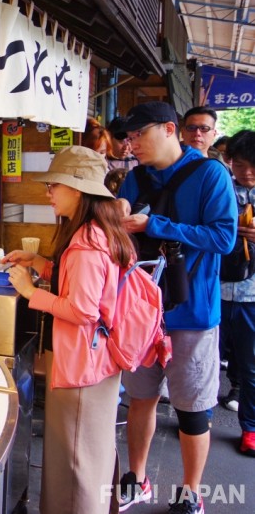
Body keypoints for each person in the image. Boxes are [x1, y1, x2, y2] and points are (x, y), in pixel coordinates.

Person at [116, 101, 236, 514]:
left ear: (170, 129)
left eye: (138, 135)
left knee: (191, 409)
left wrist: (155, 226)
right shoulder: (135, 178)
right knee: (140, 398)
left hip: (193, 313)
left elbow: (224, 238)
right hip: (141, 312)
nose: (131, 145)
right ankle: (137, 478)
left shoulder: (211, 175)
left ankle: (190, 493)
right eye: (128, 138)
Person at [3, 145, 130, 514]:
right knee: (91, 454)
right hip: (97, 361)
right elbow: (85, 289)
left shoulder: (86, 243)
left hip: (80, 369)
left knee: (75, 464)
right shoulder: (98, 231)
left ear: (77, 189)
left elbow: (82, 308)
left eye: (53, 185)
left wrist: (29, 292)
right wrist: (41, 263)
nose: (48, 193)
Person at [218, 131, 255, 457]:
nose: (247, 173)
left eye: (253, 167)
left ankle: (251, 429)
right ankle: (194, 418)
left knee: (251, 366)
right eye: (241, 165)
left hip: (251, 295)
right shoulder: (222, 189)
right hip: (214, 289)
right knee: (202, 359)